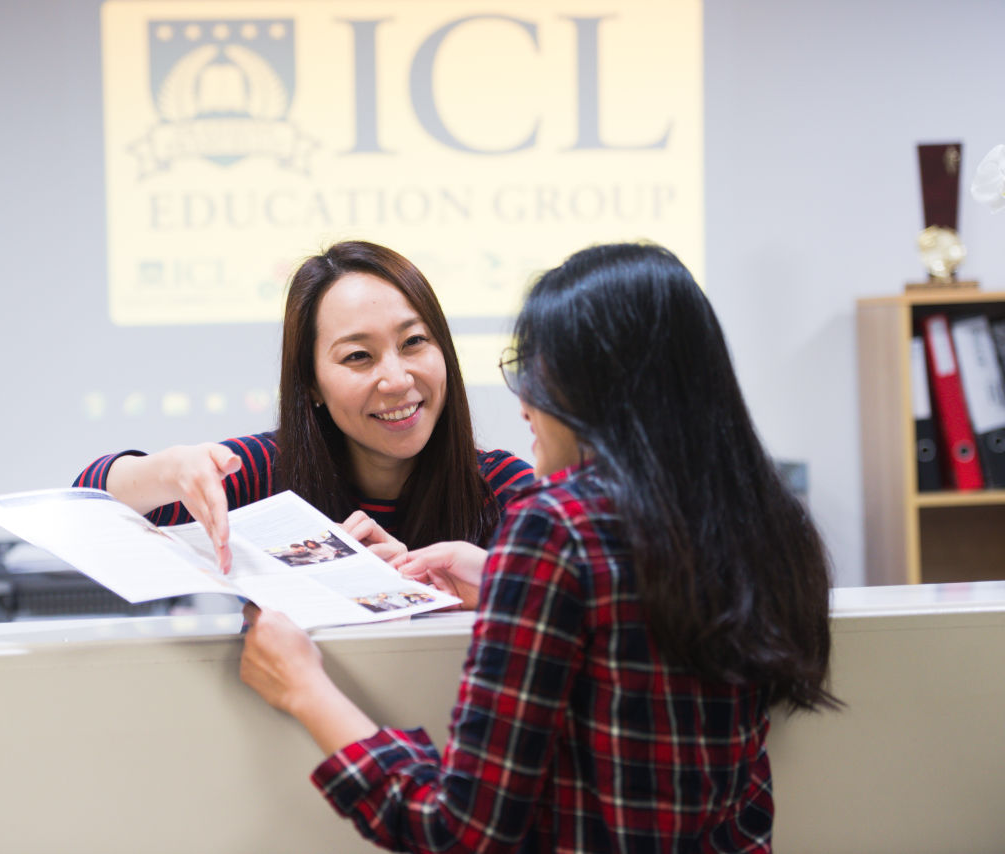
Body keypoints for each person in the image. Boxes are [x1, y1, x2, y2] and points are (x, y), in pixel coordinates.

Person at [239, 242, 838, 852]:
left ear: (600, 384)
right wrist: (507, 584)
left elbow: (460, 831)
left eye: (537, 372)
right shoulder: (762, 520)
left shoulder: (556, 528)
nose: (523, 401)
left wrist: (303, 687)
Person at [74, 241, 532, 572]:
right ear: (311, 383)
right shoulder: (263, 473)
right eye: (358, 356)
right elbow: (84, 508)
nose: (396, 380)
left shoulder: (501, 489)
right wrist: (169, 469)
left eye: (414, 342)